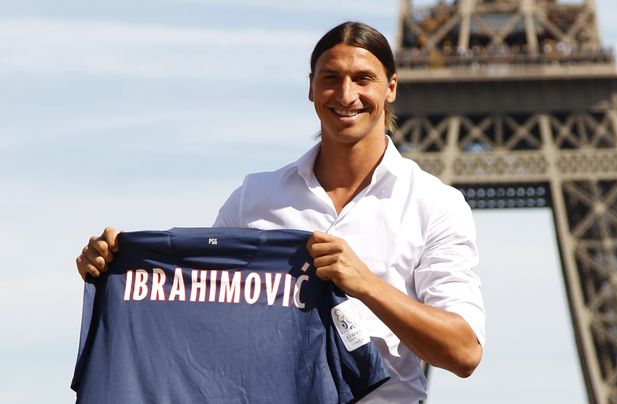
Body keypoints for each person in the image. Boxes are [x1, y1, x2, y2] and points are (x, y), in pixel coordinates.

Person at [76, 21, 485, 403]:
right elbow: (198, 309)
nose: (346, 95)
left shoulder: (436, 205)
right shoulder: (255, 197)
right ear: (311, 88)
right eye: (331, 79)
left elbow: (464, 352)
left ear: (391, 87)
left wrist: (365, 284)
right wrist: (115, 268)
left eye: (363, 79)